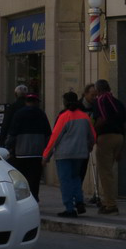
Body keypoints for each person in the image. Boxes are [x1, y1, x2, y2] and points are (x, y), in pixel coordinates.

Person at [43, 91, 96, 218]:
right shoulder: (84, 116)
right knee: (76, 178)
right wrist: (88, 147)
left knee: (65, 181)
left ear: (65, 102)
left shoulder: (64, 116)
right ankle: (79, 201)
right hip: (80, 154)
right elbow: (92, 136)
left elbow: (54, 138)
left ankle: (69, 208)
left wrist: (46, 156)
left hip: (64, 155)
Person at [5, 93, 51, 200]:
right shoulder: (41, 114)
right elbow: (48, 134)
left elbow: (13, 133)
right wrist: (47, 152)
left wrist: (8, 146)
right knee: (35, 178)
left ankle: (25, 198)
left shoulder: (19, 114)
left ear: (26, 102)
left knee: (22, 178)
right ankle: (34, 197)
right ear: (36, 102)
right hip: (37, 153)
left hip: (22, 152)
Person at [91, 79, 126, 215]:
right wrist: (122, 148)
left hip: (106, 138)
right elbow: (124, 125)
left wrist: (92, 131)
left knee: (105, 173)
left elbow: (102, 119)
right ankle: (107, 202)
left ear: (98, 90)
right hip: (119, 138)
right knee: (108, 172)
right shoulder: (118, 103)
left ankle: (111, 205)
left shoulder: (100, 101)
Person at [0, 84, 29, 149]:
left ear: (15, 95)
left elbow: (5, 124)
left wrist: (2, 141)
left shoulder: (12, 107)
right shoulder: (32, 108)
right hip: (30, 141)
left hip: (15, 141)